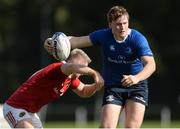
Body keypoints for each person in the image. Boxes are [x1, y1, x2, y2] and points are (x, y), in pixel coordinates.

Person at [44, 5, 156, 128]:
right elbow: (75, 40)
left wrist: (136, 78)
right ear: (110, 24)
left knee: (131, 127)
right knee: (106, 127)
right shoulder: (103, 36)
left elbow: (151, 64)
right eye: (118, 24)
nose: (123, 27)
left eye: (125, 23)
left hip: (137, 86)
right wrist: (53, 42)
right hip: (113, 86)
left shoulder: (137, 39)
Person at [3, 48, 104, 128]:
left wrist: (96, 86)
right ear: (73, 62)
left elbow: (83, 91)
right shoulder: (59, 68)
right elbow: (72, 67)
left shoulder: (70, 78)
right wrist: (95, 74)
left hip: (30, 112)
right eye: (82, 67)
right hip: (15, 107)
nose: (82, 73)